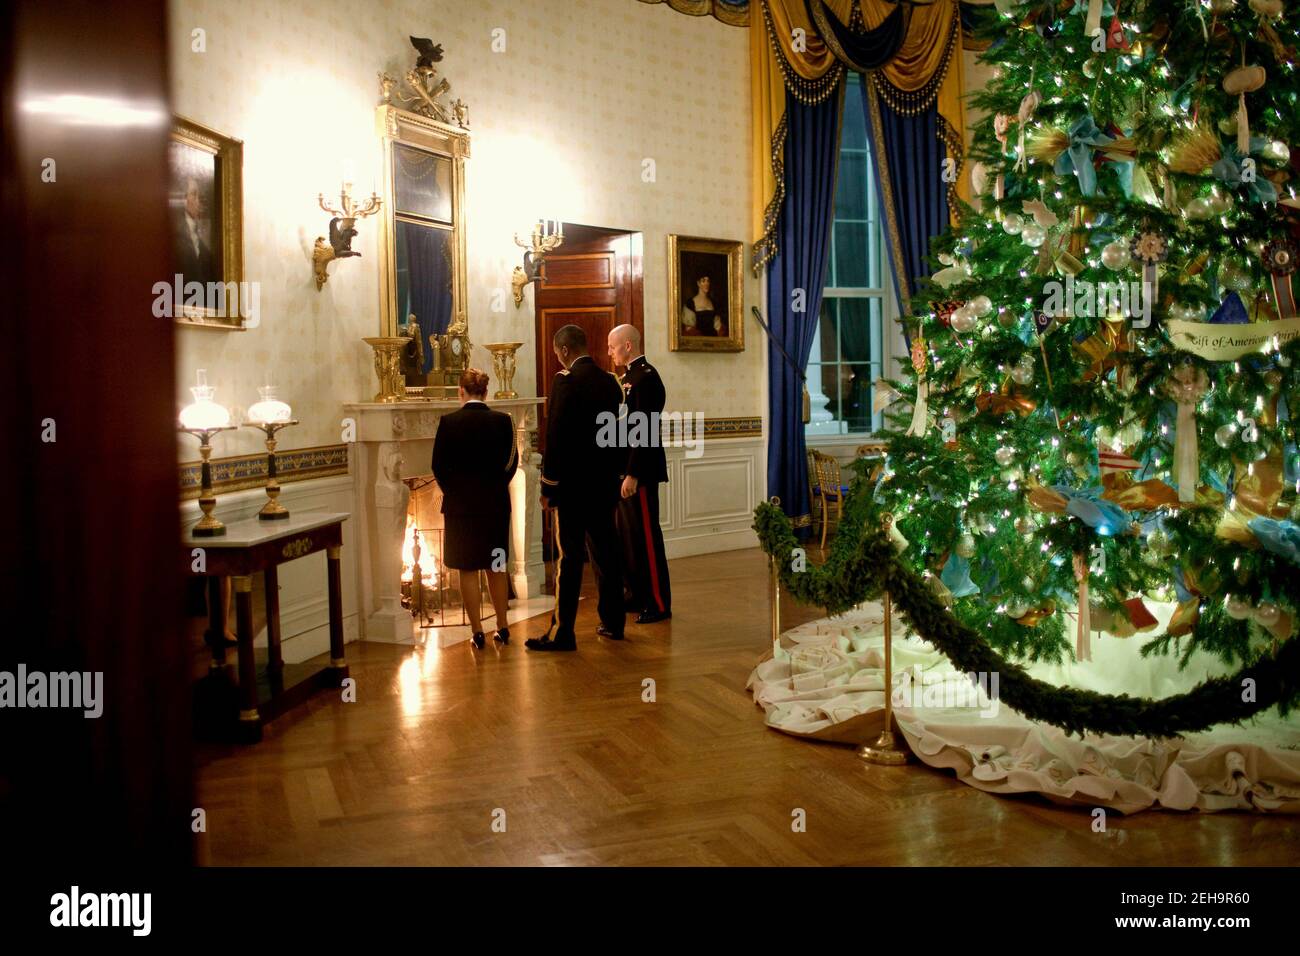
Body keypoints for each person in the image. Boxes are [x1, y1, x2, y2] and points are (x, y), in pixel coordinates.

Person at [526, 325, 626, 651]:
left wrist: (548, 486)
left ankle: (563, 633)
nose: (558, 358)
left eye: (557, 353)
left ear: (565, 351)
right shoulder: (610, 384)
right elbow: (617, 434)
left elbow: (555, 438)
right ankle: (613, 622)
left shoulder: (564, 382)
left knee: (569, 560)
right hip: (604, 486)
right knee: (606, 553)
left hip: (571, 489)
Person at [430, 368, 518, 649]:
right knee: (496, 565)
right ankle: (503, 627)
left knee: (466, 568)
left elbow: (438, 466)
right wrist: (493, 487)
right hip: (495, 505)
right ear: (486, 392)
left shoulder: (448, 422)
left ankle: (477, 631)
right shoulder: (504, 422)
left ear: (461, 391)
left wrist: (456, 493)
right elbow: (511, 463)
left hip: (460, 508)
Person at [607, 324, 672, 623]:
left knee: (646, 538)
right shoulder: (628, 378)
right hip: (626, 471)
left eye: (613, 346)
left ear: (628, 346)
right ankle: (635, 594)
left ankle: (658, 603)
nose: (609, 352)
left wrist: (632, 473)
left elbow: (643, 430)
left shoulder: (645, 378)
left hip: (641, 472)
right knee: (628, 539)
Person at [175, 176, 217, 286]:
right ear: (184, 199)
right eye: (194, 194)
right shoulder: (176, 234)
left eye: (199, 195)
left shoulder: (200, 239)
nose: (198, 201)